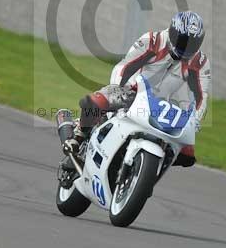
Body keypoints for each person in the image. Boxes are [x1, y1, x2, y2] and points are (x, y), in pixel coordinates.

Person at [56, 11, 211, 168]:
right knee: (96, 102)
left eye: (192, 43)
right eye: (183, 40)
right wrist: (117, 88)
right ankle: (79, 135)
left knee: (187, 155)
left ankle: (149, 168)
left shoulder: (200, 62)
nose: (185, 47)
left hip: (166, 107)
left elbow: (202, 97)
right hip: (134, 93)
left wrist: (195, 121)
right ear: (172, 31)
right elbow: (125, 66)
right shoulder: (153, 40)